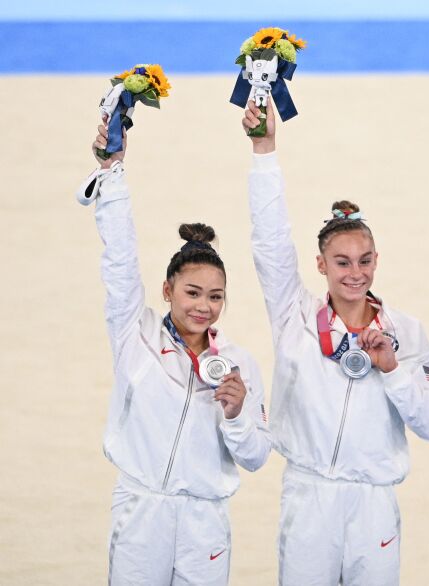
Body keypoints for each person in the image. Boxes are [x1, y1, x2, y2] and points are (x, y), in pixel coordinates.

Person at [241, 99, 429, 585]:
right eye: (342, 262)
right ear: (320, 265)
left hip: (373, 503)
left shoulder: (408, 332)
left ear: (377, 260)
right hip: (308, 496)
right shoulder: (294, 316)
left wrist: (393, 370)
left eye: (364, 260)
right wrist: (264, 150)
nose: (355, 273)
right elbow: (270, 243)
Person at [87, 120, 272, 584]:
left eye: (215, 296)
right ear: (167, 290)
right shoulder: (136, 333)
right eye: (192, 293)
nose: (203, 307)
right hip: (141, 509)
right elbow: (120, 261)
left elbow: (255, 457)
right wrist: (113, 174)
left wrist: (235, 414)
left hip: (204, 523)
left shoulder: (238, 365)